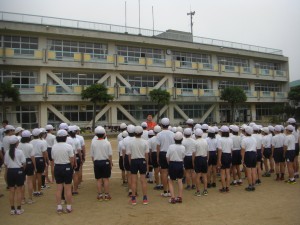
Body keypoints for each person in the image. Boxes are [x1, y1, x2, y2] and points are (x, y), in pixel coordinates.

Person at [51, 129, 74, 213]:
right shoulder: (68, 146)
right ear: (65, 137)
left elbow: (53, 158)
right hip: (67, 166)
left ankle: (59, 207)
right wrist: (70, 168)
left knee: (59, 188)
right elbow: (72, 159)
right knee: (68, 188)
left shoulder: (54, 146)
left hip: (57, 167)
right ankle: (68, 207)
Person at [128, 126, 149, 205]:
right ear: (142, 133)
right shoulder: (145, 142)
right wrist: (146, 163)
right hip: (142, 160)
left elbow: (129, 154)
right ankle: (145, 198)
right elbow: (146, 154)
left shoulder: (131, 142)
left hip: (134, 160)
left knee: (134, 180)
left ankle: (133, 198)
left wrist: (130, 163)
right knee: (143, 180)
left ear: (134, 133)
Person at [4, 135, 26, 215]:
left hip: (10, 171)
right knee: (19, 190)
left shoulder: (7, 152)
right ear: (17, 143)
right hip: (18, 170)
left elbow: (6, 164)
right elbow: (24, 163)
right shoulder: (20, 151)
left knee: (11, 191)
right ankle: (19, 208)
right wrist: (22, 170)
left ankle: (12, 209)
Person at [90, 126, 113, 201]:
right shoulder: (107, 143)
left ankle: (99, 195)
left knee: (98, 180)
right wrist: (110, 163)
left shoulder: (93, 143)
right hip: (105, 162)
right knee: (106, 179)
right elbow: (110, 155)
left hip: (97, 162)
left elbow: (92, 155)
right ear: (104, 134)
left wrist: (94, 163)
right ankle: (106, 195)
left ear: (96, 134)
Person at [157, 118, 174, 197]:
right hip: (171, 153)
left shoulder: (159, 134)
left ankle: (165, 191)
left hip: (163, 153)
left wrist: (157, 156)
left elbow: (158, 147)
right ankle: (171, 191)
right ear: (169, 124)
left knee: (164, 172)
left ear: (161, 125)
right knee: (170, 172)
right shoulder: (172, 134)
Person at [166, 132, 185, 204]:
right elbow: (183, 157)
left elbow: (167, 157)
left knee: (171, 181)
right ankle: (180, 197)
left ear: (174, 139)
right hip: (180, 164)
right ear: (182, 139)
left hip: (172, 163)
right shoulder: (183, 147)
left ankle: (173, 198)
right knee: (180, 181)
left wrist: (169, 164)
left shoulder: (171, 146)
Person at [18, 130, 36, 204]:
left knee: (22, 182)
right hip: (29, 162)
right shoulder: (30, 145)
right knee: (29, 181)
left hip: (20, 163)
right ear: (29, 137)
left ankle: (22, 199)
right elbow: (32, 157)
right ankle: (30, 199)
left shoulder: (18, 145)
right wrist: (35, 166)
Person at [30, 128, 48, 196]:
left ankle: (34, 191)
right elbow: (44, 152)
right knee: (39, 175)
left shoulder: (30, 142)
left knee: (34, 176)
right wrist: (45, 160)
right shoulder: (41, 142)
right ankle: (39, 191)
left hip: (32, 159)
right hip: (40, 159)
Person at [193, 128, 209, 196]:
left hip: (198, 158)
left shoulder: (195, 142)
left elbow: (194, 153)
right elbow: (208, 152)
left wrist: (193, 162)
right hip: (204, 158)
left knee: (198, 175)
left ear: (196, 135)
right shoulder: (205, 141)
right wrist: (207, 159)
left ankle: (198, 191)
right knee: (204, 175)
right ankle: (205, 190)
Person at [217, 125, 233, 193]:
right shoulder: (230, 139)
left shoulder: (220, 139)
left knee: (222, 173)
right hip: (229, 155)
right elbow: (232, 150)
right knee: (228, 172)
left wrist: (219, 159)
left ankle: (223, 187)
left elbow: (219, 150)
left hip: (223, 155)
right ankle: (227, 187)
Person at [241, 127, 257, 191]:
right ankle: (253, 184)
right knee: (253, 170)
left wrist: (242, 159)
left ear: (246, 132)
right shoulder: (254, 139)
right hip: (254, 154)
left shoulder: (244, 139)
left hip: (248, 154)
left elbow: (243, 150)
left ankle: (250, 185)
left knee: (249, 171)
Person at [122, 124, 136, 196]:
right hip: (135, 157)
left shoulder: (124, 140)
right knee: (135, 175)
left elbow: (123, 151)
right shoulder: (136, 139)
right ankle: (135, 190)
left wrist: (124, 160)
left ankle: (130, 189)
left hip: (127, 156)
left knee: (129, 174)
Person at [149, 125, 162, 190]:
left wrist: (151, 157)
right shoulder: (162, 138)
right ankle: (163, 184)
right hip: (161, 153)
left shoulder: (151, 139)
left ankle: (157, 184)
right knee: (163, 170)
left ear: (154, 132)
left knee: (156, 170)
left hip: (154, 154)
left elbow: (150, 150)